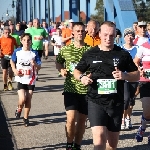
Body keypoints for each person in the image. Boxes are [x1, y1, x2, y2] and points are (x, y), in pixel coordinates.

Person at [73, 21, 140, 150]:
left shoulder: (122, 54)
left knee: (112, 145)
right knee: (99, 139)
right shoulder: (90, 53)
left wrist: (124, 76)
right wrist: (82, 78)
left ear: (115, 35)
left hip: (116, 102)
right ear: (99, 34)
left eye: (111, 35)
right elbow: (77, 71)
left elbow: (136, 74)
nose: (108, 38)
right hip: (95, 101)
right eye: (105, 35)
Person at [56, 22, 91, 150]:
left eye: (82, 31)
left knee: (82, 120)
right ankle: (69, 144)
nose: (80, 33)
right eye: (77, 31)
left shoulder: (90, 50)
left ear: (85, 33)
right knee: (70, 119)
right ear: (73, 33)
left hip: (86, 90)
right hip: (70, 88)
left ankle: (77, 145)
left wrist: (90, 75)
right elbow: (58, 62)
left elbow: (95, 67)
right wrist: (61, 70)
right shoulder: (65, 49)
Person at [10, 33, 41, 127]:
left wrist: (34, 63)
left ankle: (26, 118)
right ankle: (19, 108)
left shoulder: (34, 53)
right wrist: (14, 70)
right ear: (21, 41)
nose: (26, 42)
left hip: (31, 79)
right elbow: (12, 60)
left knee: (28, 99)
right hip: (20, 78)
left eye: (28, 40)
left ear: (31, 42)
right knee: (22, 99)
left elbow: (39, 67)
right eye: (24, 40)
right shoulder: (17, 51)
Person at [121, 28, 139, 130]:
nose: (129, 37)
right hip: (124, 77)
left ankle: (128, 118)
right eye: (127, 35)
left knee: (131, 100)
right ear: (124, 37)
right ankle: (123, 119)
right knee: (126, 99)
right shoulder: (120, 49)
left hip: (135, 77)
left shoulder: (137, 48)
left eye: (131, 35)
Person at [134, 30, 150, 144]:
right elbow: (135, 61)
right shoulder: (143, 46)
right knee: (147, 111)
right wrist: (140, 69)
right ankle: (142, 127)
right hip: (146, 82)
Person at [0, 26, 17, 91]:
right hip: (4, 56)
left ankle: (10, 83)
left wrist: (16, 53)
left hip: (11, 57)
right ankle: (5, 85)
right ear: (3, 32)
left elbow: (17, 46)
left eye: (8, 32)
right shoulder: (1, 39)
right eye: (6, 32)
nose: (7, 34)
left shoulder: (12, 39)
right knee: (4, 71)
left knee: (10, 71)